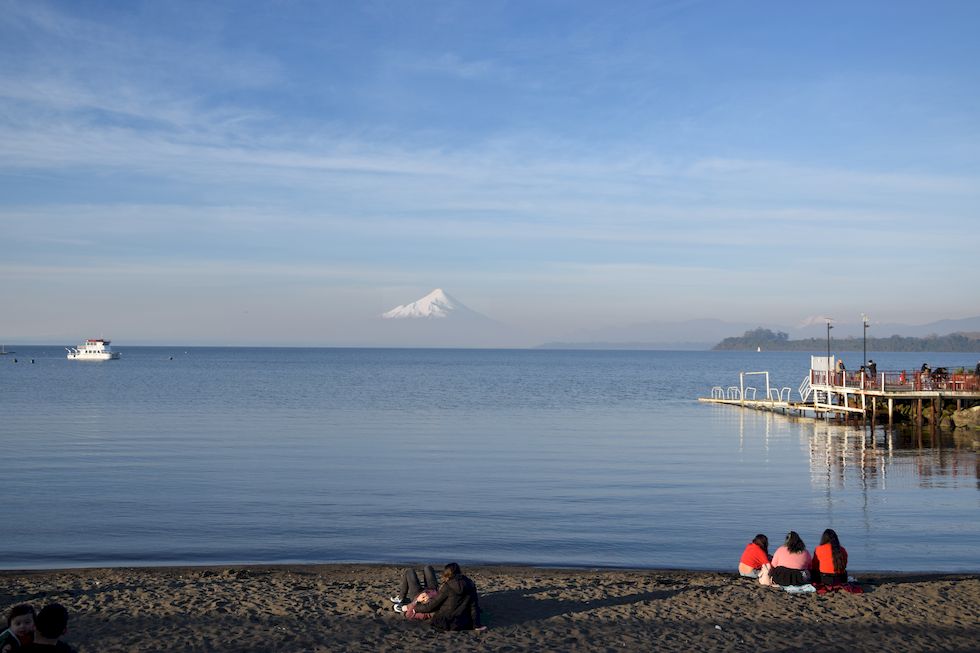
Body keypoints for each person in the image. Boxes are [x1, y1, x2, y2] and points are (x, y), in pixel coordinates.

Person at [410, 562, 484, 631]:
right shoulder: (470, 584)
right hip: (463, 624)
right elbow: (474, 607)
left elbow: (432, 605)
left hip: (444, 622)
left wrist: (416, 608)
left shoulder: (448, 586)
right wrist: (476, 625)